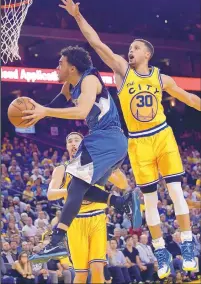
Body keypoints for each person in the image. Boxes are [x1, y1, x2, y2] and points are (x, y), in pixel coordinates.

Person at [57, 0, 201, 279]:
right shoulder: (122, 72)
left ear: (147, 54)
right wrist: (76, 15)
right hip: (137, 140)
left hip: (162, 134)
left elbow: (189, 98)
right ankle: (160, 250)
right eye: (130, 48)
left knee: (175, 191)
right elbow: (96, 43)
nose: (130, 52)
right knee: (149, 199)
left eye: (135, 48)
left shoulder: (162, 78)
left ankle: (188, 244)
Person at [23, 45, 133, 263]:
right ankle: (119, 202)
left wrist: (45, 111)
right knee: (81, 189)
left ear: (72, 67)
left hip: (106, 138)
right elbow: (60, 100)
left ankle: (56, 242)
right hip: (108, 141)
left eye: (60, 63)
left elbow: (82, 111)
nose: (57, 67)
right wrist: (40, 113)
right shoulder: (70, 84)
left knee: (75, 186)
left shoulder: (90, 80)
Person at [48, 131, 129, 284]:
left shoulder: (98, 165)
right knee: (81, 274)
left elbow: (123, 184)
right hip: (75, 223)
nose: (73, 143)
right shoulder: (61, 169)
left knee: (98, 268)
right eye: (69, 141)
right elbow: (50, 194)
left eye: (76, 140)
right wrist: (75, 191)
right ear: (66, 147)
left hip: (97, 218)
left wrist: (114, 164)